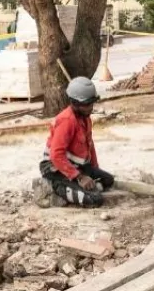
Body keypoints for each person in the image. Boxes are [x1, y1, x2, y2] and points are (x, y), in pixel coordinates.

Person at [40, 76, 115, 207]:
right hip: (55, 169)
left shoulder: (85, 118)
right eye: (87, 104)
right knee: (95, 200)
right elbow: (56, 155)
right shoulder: (67, 121)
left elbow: (90, 145)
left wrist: (94, 169)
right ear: (74, 103)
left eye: (92, 103)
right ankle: (56, 187)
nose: (91, 108)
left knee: (108, 180)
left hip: (77, 166)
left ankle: (78, 186)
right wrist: (80, 177)